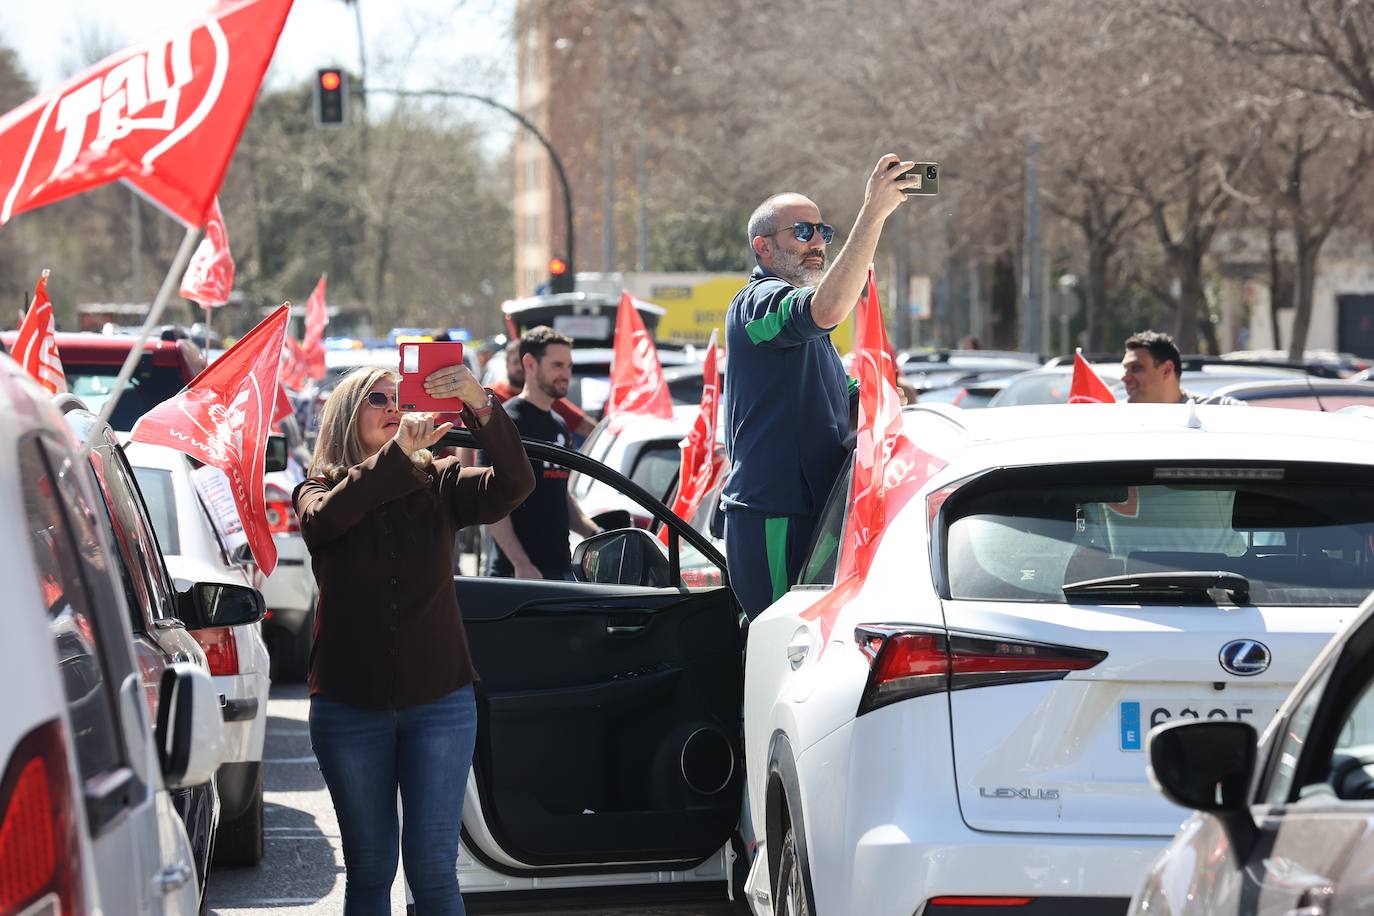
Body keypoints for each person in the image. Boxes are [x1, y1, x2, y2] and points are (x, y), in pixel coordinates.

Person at [293, 364, 534, 915]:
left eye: (399, 398)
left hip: (439, 701)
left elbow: (516, 484)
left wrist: (480, 403)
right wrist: (398, 454)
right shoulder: (316, 489)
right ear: (346, 415)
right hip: (348, 703)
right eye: (378, 400)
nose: (394, 408)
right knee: (370, 868)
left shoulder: (439, 481)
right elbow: (325, 522)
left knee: (433, 868)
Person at [723, 154, 925, 619]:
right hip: (775, 512)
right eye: (802, 231)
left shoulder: (805, 326)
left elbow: (843, 399)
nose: (817, 242)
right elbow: (826, 309)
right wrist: (872, 213)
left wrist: (884, 399)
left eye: (822, 231)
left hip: (821, 512)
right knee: (780, 641)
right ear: (762, 247)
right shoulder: (759, 302)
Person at [486, 326, 602, 580]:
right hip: (517, 577)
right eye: (557, 365)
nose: (566, 374)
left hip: (560, 570)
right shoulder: (507, 422)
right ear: (530, 363)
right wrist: (521, 563)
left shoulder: (559, 424)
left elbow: (559, 493)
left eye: (569, 366)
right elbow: (490, 501)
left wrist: (595, 534)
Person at [489, 341, 596, 438]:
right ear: (507, 365)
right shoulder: (491, 396)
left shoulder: (546, 398)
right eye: (516, 362)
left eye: (524, 363)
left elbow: (586, 427)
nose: (521, 367)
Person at [1121, 330, 1245, 405]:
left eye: (1136, 368)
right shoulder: (1117, 417)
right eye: (1125, 369)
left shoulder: (1222, 411)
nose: (1125, 378)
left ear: (1167, 370)